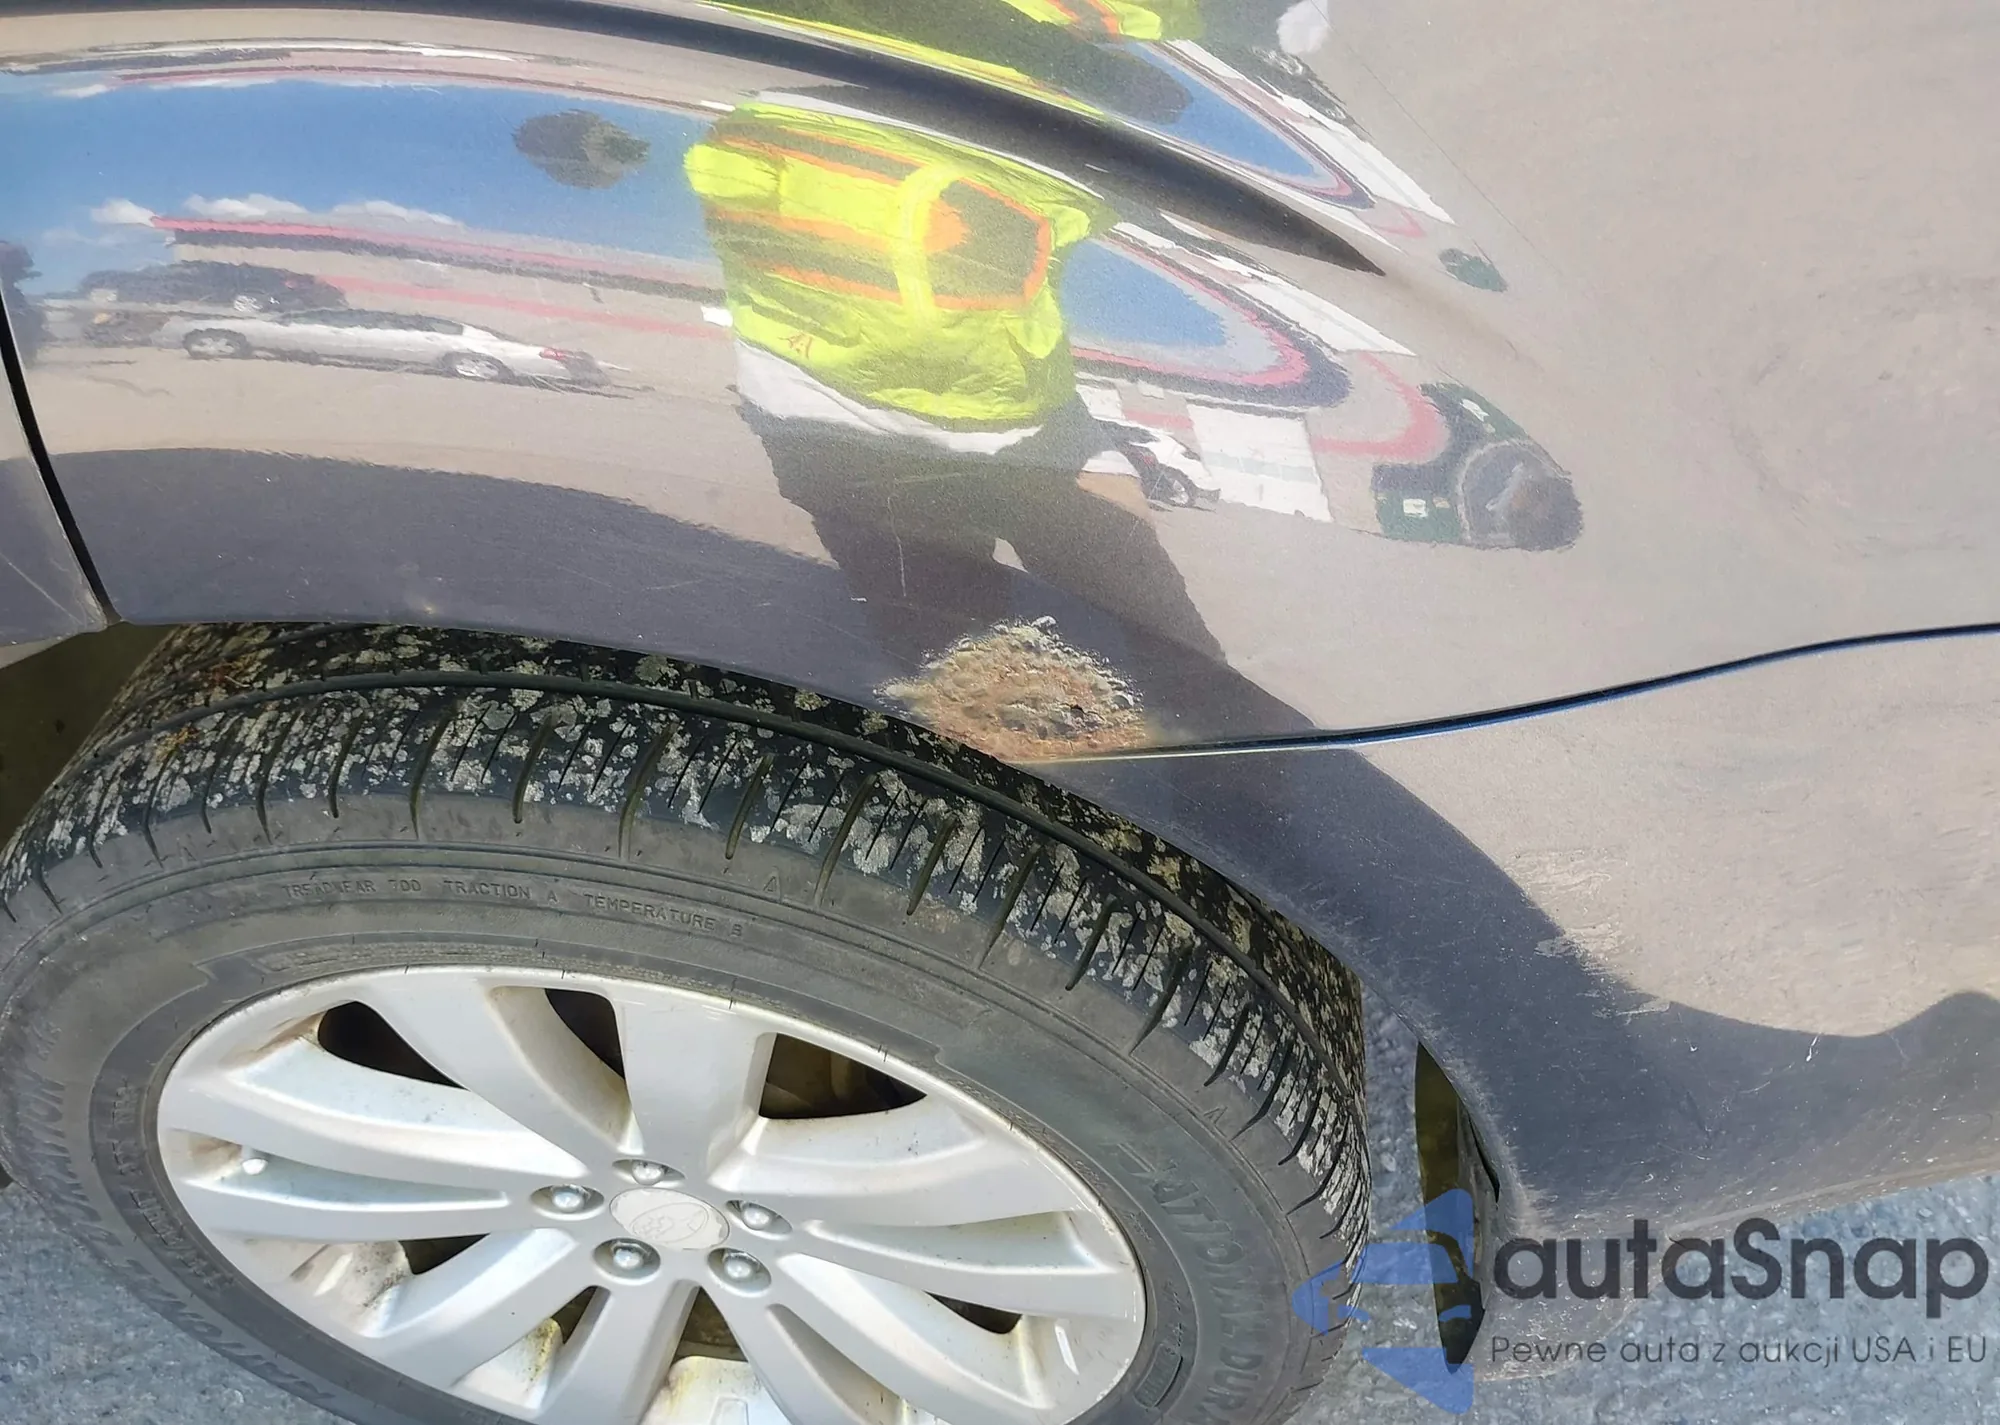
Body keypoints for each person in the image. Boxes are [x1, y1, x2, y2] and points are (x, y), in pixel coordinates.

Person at [685, 96, 1226, 671]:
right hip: (954, 414)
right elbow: (1159, 132)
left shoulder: (776, 101)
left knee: (960, 659)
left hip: (823, 404)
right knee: (1164, 660)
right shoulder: (1030, 99)